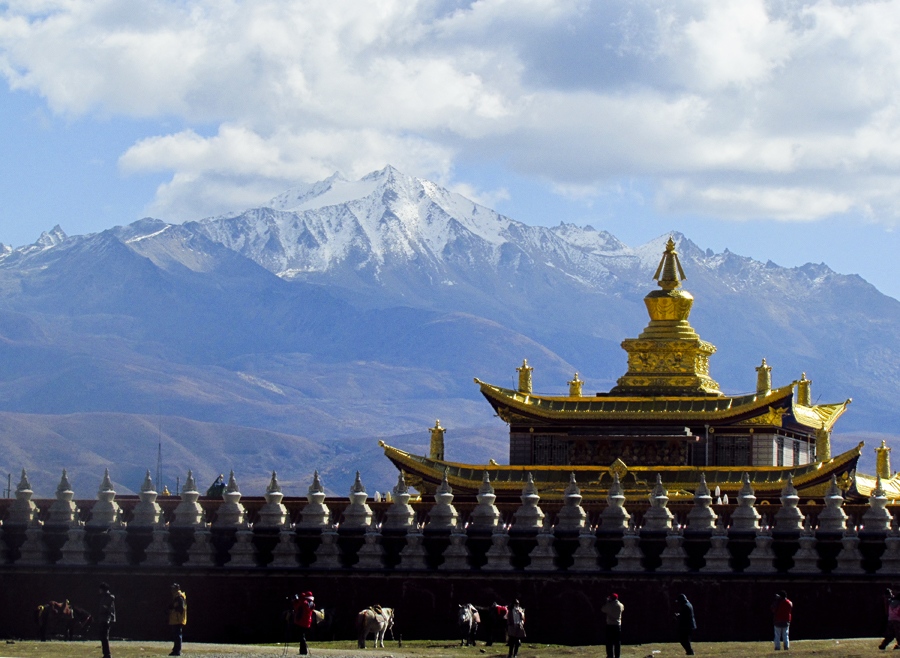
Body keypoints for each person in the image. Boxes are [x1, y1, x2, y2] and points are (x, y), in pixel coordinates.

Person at [601, 593, 624, 658]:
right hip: (617, 625)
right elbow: (622, 609)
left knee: (609, 642)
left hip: (610, 625)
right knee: (617, 643)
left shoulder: (609, 605)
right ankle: (617, 656)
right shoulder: (620, 605)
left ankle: (610, 656)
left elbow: (603, 609)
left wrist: (607, 602)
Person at [292, 591, 316, 655]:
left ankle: (303, 651)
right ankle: (303, 650)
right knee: (302, 635)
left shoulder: (303, 602)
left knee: (301, 636)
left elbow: (297, 607)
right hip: (307, 622)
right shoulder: (312, 603)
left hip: (301, 621)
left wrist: (296, 600)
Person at [168, 583, 187, 656]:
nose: (171, 590)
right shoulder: (176, 597)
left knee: (177, 635)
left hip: (178, 619)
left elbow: (181, 608)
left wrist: (173, 609)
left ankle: (177, 650)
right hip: (176, 619)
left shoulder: (179, 597)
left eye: (173, 588)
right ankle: (175, 649)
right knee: (176, 635)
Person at [98, 582, 116, 658]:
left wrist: (105, 608)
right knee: (103, 637)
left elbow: (109, 609)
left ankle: (107, 654)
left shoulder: (108, 597)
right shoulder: (104, 597)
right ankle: (105, 654)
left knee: (105, 637)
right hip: (103, 618)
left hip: (106, 619)